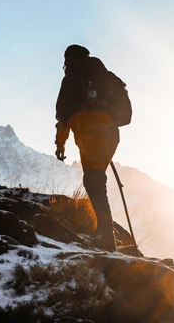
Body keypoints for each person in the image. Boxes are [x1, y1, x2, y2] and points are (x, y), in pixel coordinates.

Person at [54, 44, 120, 252]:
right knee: (97, 178)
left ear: (69, 60)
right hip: (111, 134)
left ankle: (106, 235)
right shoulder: (103, 75)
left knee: (93, 180)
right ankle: (105, 231)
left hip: (91, 135)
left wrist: (60, 143)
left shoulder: (72, 78)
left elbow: (64, 115)